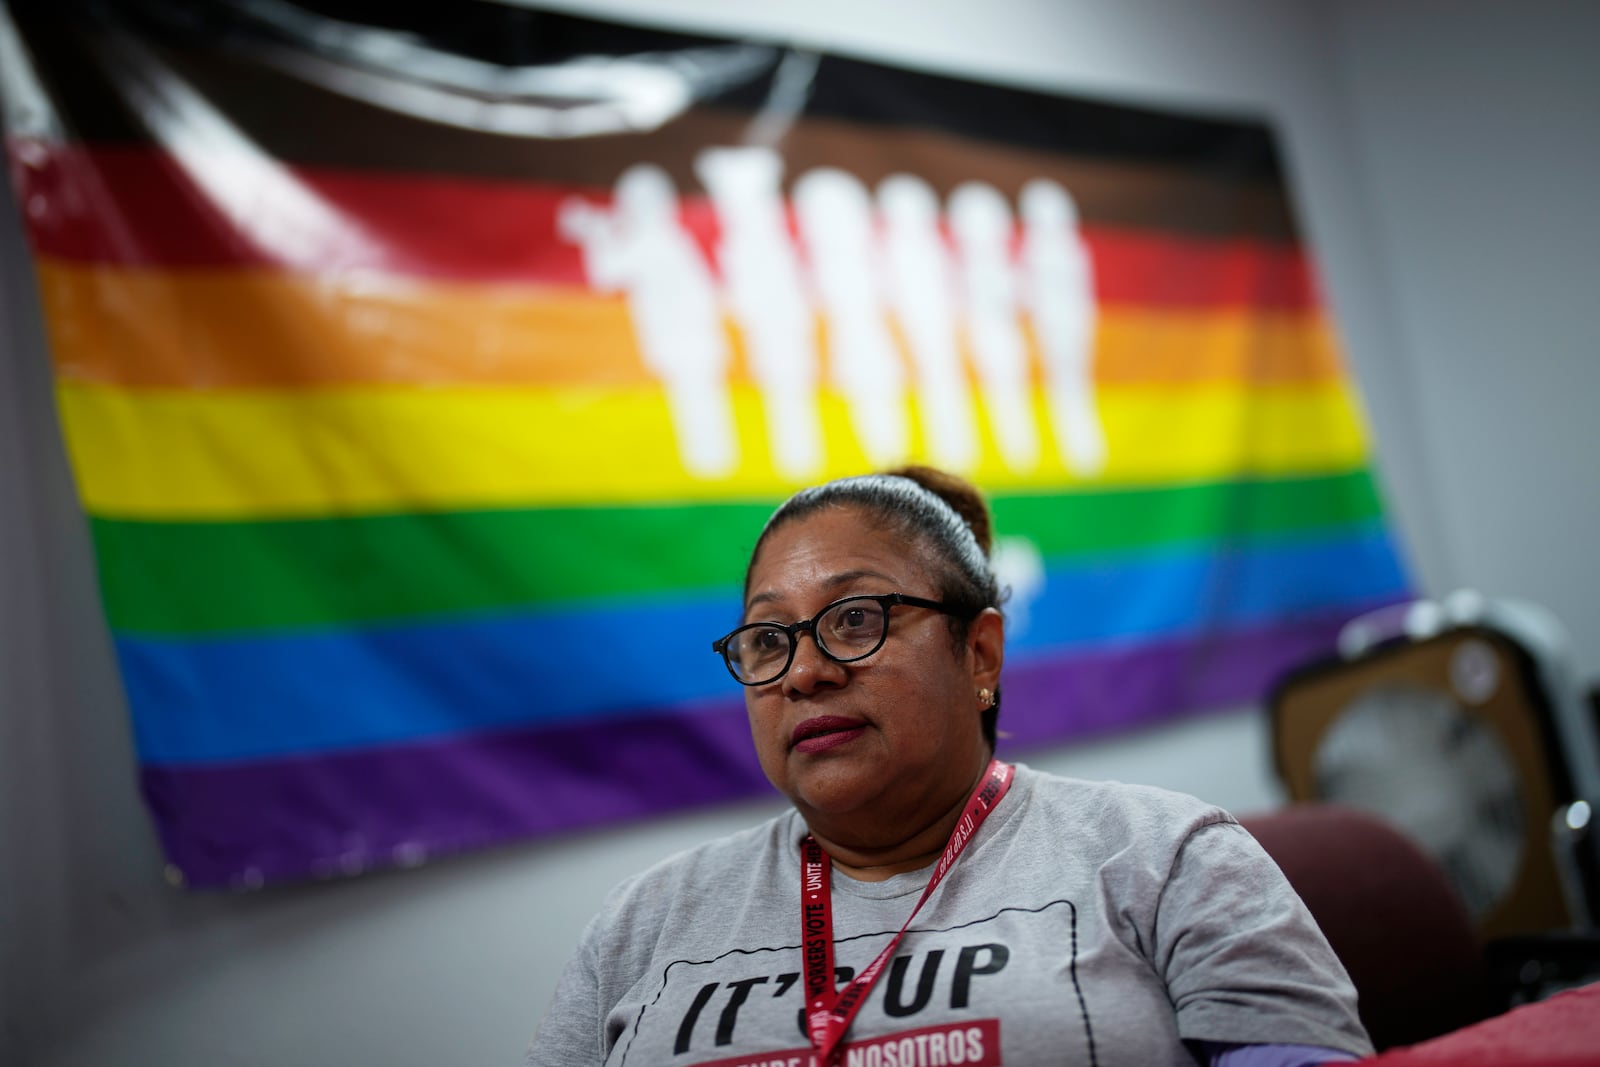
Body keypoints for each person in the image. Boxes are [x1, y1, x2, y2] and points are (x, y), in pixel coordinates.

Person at [526, 467, 1373, 1067]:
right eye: (768, 638)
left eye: (855, 619)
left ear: (980, 652)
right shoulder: (643, 927)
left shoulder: (1166, 857)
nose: (802, 671)